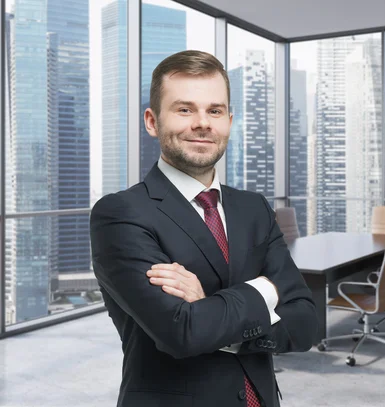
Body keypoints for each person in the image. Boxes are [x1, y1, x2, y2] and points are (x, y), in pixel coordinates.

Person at [90, 50, 318, 407]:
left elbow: (305, 321)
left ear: (229, 120)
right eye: (184, 109)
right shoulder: (121, 214)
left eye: (214, 111)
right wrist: (265, 290)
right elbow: (183, 332)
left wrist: (210, 307)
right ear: (152, 121)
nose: (202, 123)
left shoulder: (253, 208)